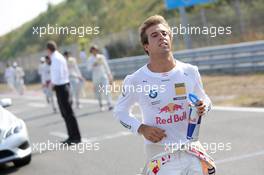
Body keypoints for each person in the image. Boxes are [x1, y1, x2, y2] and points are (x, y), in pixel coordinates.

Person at [113, 15, 215, 175]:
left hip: (191, 148)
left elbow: (205, 99)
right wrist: (141, 128)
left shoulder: (190, 71)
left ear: (170, 38)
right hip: (161, 154)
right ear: (146, 46)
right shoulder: (135, 80)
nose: (161, 37)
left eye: (164, 33)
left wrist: (204, 106)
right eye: (154, 35)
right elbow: (120, 112)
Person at [46, 41, 81, 144]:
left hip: (61, 87)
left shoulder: (56, 58)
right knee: (65, 113)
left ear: (48, 49)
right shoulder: (57, 57)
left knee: (68, 113)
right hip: (61, 86)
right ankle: (71, 136)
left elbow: (58, 74)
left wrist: (52, 84)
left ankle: (75, 137)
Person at [88, 45, 113, 111]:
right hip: (96, 77)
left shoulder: (101, 57)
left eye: (96, 50)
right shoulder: (90, 59)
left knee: (106, 89)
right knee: (98, 92)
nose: (95, 51)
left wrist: (109, 75)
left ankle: (109, 104)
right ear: (91, 51)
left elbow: (106, 66)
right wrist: (93, 65)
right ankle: (100, 104)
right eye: (93, 50)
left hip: (103, 76)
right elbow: (88, 69)